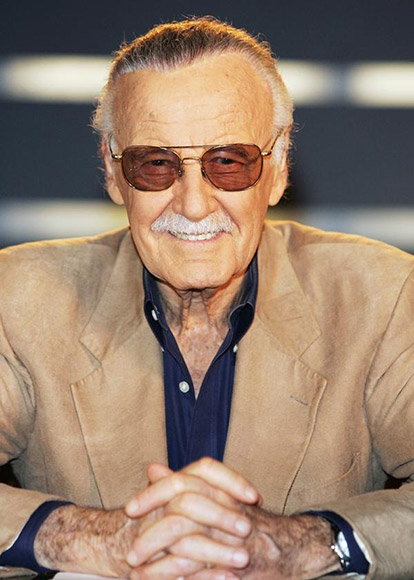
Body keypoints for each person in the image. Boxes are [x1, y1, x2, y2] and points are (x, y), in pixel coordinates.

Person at [0, 16, 413, 580]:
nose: (193, 204)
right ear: (113, 172)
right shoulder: (20, 296)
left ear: (278, 169)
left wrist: (307, 543)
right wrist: (90, 537)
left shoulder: (381, 295)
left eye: (228, 162)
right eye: (156, 164)